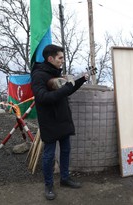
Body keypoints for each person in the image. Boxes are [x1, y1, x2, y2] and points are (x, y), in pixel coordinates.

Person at [31, 44, 89, 200]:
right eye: (60, 58)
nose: (63, 60)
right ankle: (48, 185)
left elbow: (67, 89)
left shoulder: (56, 73)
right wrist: (66, 87)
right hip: (49, 121)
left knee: (65, 150)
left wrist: (82, 80)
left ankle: (65, 179)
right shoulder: (38, 76)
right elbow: (43, 98)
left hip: (62, 118)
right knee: (49, 155)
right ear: (50, 58)